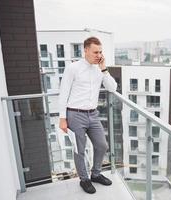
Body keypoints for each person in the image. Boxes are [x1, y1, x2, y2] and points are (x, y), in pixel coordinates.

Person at [58, 37, 117, 194]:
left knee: (102, 145)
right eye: (95, 52)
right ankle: (84, 179)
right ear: (86, 50)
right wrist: (62, 118)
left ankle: (96, 174)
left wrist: (104, 68)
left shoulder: (100, 69)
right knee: (80, 150)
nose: (98, 55)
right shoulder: (73, 68)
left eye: (100, 52)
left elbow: (112, 88)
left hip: (93, 114)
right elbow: (63, 93)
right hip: (75, 114)